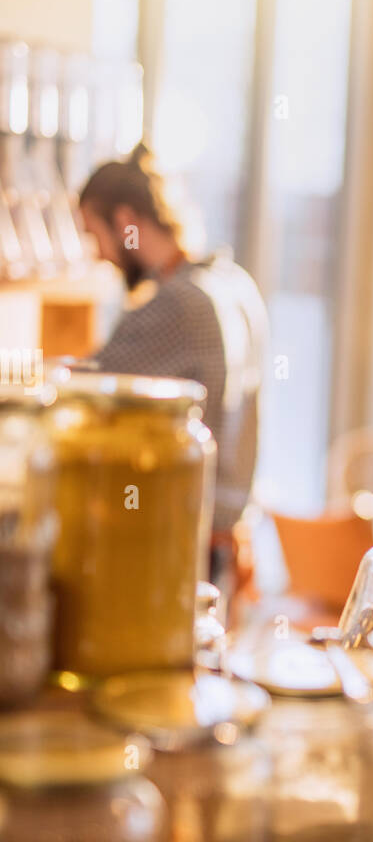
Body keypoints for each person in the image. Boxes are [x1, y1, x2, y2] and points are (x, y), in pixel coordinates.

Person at [77, 143, 268, 596]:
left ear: (125, 223)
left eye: (93, 233)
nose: (98, 254)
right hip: (229, 530)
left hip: (185, 534)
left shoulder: (179, 303)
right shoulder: (233, 282)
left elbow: (82, 388)